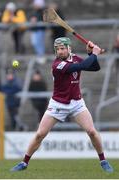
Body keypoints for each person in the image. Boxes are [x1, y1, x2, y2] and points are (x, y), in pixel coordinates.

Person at [10, 37, 113, 173]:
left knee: (92, 132)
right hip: (58, 104)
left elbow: (95, 67)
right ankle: (24, 162)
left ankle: (103, 161)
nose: (60, 51)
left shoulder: (75, 58)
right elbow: (80, 67)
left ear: (69, 49)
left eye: (62, 48)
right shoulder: (57, 65)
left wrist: (90, 53)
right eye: (57, 49)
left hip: (76, 103)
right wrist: (94, 53)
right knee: (40, 134)